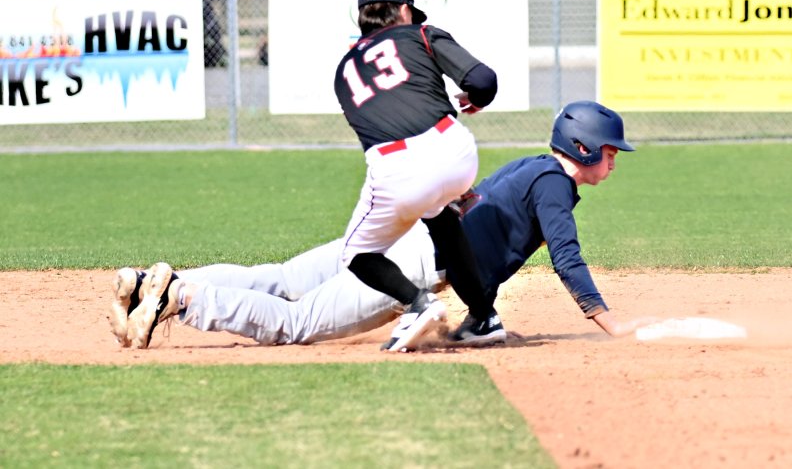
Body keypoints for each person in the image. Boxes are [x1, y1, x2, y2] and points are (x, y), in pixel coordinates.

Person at [114, 101, 656, 350]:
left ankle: (149, 282)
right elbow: (566, 258)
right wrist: (608, 323)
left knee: (282, 277)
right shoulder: (556, 187)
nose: (615, 161)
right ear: (584, 148)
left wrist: (480, 316)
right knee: (296, 322)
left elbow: (477, 215)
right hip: (415, 263)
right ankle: (184, 298)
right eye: (611, 151)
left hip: (398, 231)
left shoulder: (531, 168)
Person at [331, 0, 498, 351]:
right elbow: (483, 80)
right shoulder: (421, 34)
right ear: (404, 11)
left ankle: (418, 303)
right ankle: (484, 316)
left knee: (356, 254)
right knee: (441, 217)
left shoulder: (344, 69)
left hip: (398, 167)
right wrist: (475, 99)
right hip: (456, 151)